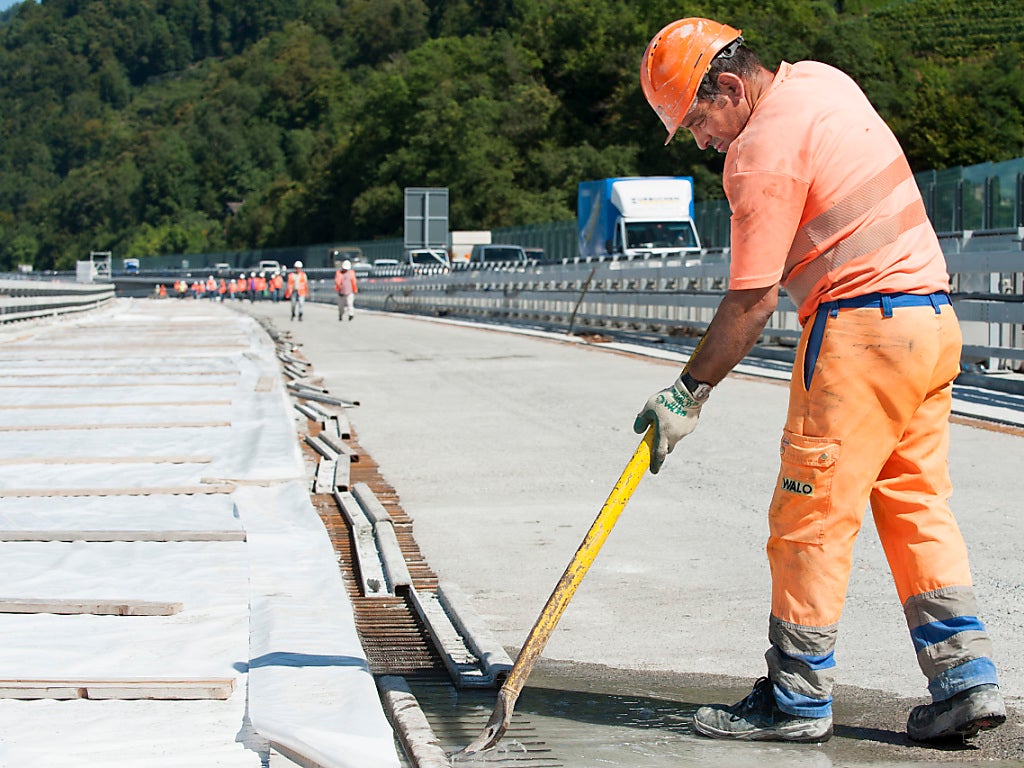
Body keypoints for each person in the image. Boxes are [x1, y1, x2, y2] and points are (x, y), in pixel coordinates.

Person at [634, 17, 1005, 745]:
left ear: (730, 87)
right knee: (915, 503)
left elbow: (751, 300)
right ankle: (965, 678)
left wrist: (688, 392)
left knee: (809, 516)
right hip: (931, 321)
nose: (703, 142)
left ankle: (796, 699)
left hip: (859, 332)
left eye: (698, 121)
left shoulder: (757, 154)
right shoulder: (822, 81)